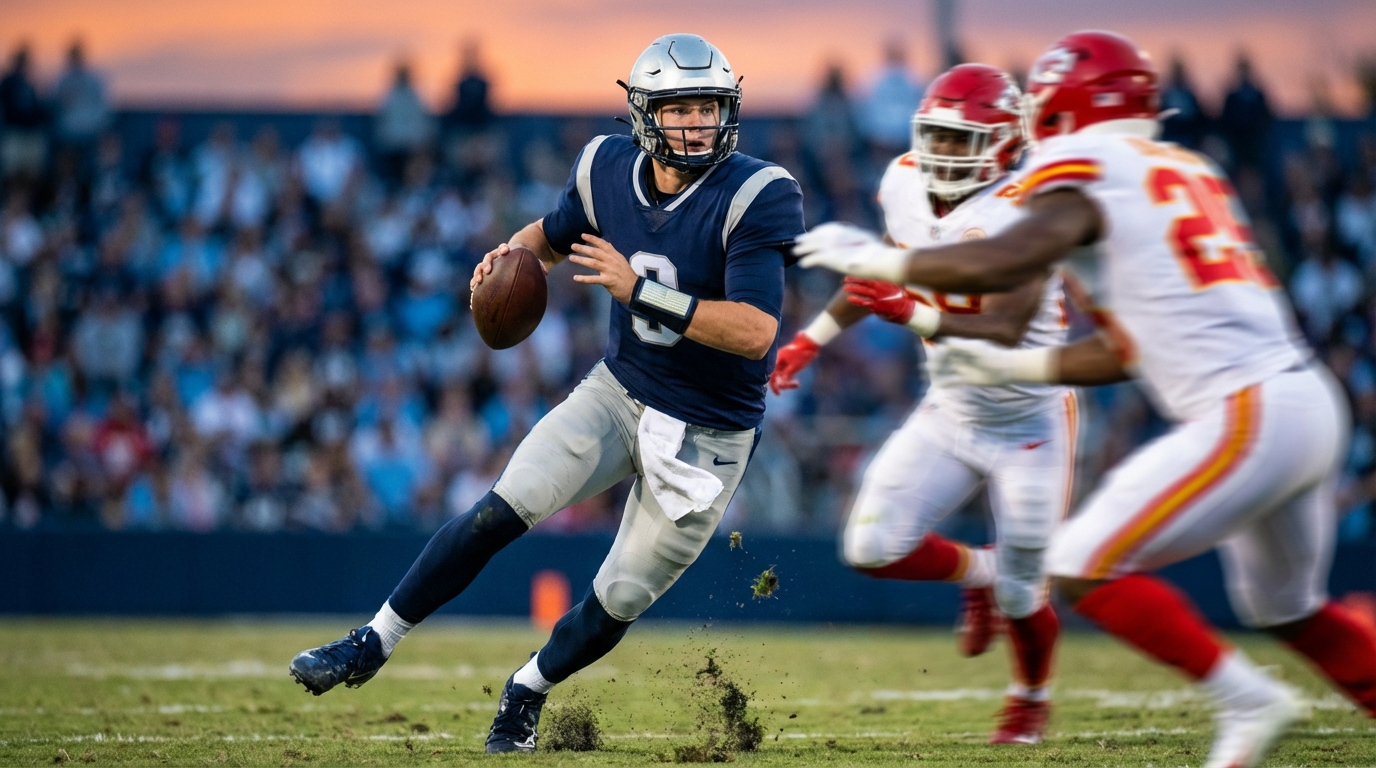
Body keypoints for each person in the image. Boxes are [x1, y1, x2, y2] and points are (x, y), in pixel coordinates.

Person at [796, 30, 1376, 768]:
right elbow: (1123, 349)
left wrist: (884, 262)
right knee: (1287, 609)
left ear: (1064, 109)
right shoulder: (1186, 168)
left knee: (1078, 559)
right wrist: (1016, 368)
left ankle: (1246, 698)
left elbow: (1013, 258)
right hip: (1304, 399)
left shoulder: (1086, 165)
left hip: (1249, 411)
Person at [288, 33, 804, 754]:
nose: (696, 123)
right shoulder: (604, 167)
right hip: (620, 392)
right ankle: (371, 641)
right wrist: (507, 256)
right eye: (680, 107)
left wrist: (642, 291)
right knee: (500, 509)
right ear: (645, 114)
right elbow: (550, 237)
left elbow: (754, 332)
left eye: (709, 108)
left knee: (619, 595)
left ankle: (527, 689)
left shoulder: (758, 193)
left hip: (707, 432)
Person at [772, 64, 1072, 744]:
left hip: (1030, 421)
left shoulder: (1028, 210)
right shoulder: (905, 181)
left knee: (1029, 596)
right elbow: (878, 279)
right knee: (870, 543)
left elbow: (998, 329)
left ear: (1001, 146)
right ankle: (983, 571)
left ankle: (1030, 697)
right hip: (952, 408)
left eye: (960, 140)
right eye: (935, 135)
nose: (942, 153)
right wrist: (811, 340)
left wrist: (912, 311)